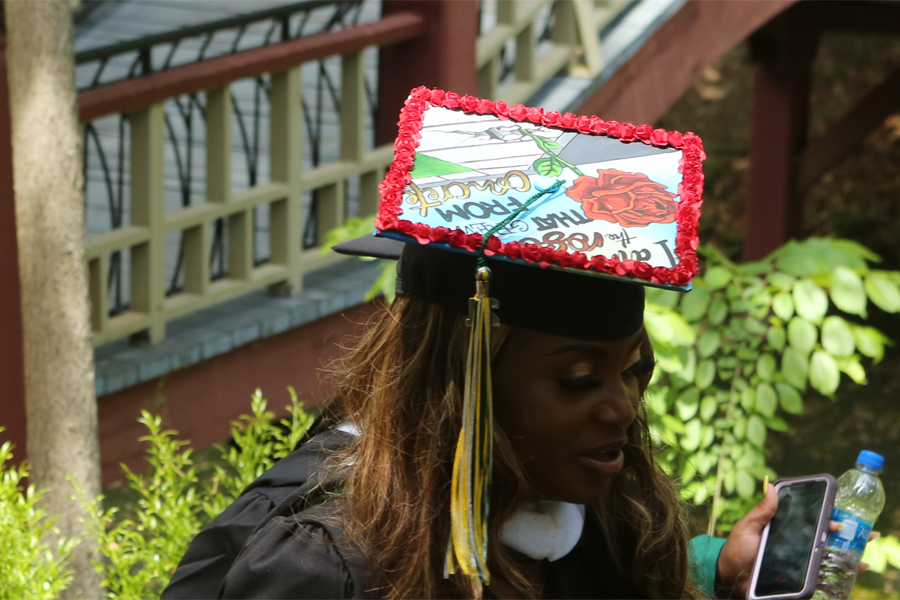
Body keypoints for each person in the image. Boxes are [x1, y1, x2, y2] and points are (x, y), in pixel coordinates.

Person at [163, 88, 777, 599]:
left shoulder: (596, 518)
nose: (621, 407)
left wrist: (721, 575)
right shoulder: (328, 568)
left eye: (634, 374)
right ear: (464, 379)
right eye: (578, 380)